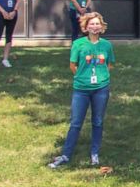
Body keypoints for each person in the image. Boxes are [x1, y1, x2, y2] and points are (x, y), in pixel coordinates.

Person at [47, 12, 115, 168]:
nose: (95, 26)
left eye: (98, 23)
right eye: (92, 24)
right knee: (76, 122)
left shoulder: (107, 45)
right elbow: (73, 65)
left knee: (97, 121)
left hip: (101, 89)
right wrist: (81, 77)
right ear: (86, 26)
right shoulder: (78, 44)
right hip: (81, 89)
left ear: (102, 26)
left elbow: (109, 64)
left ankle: (95, 153)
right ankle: (66, 154)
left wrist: (102, 77)